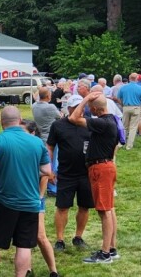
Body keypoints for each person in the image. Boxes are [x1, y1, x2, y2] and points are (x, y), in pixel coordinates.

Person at [0, 106, 52, 277]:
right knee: (24, 245)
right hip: (30, 201)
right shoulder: (36, 142)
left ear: (1, 122)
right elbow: (47, 170)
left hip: (3, 201)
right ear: (20, 120)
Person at [68, 91, 120, 264]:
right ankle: (111, 249)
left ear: (96, 109)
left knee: (104, 211)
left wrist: (84, 99)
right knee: (109, 209)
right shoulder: (111, 119)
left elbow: (74, 118)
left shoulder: (102, 123)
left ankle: (105, 253)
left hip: (101, 168)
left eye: (91, 108)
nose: (89, 110)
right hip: (106, 167)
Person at [47, 101, 94, 253]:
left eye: (81, 106)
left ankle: (78, 237)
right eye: (76, 107)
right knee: (62, 207)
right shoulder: (58, 125)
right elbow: (50, 147)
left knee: (84, 206)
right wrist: (50, 169)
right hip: (66, 173)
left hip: (86, 173)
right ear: (69, 108)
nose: (80, 109)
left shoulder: (89, 123)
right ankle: (60, 240)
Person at [23, 120, 59, 277]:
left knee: (40, 235)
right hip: (21, 197)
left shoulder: (38, 148)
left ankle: (53, 271)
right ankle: (27, 268)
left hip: (35, 198)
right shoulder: (19, 149)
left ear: (32, 133)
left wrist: (39, 197)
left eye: (23, 132)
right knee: (23, 236)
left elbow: (46, 174)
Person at [31, 87, 60, 195]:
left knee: (40, 162)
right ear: (48, 96)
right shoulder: (51, 107)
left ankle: (41, 184)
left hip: (39, 136)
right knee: (51, 162)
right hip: (50, 137)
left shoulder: (34, 106)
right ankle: (52, 188)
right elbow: (60, 116)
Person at [117, 73, 141, 150]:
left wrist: (122, 104)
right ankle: (129, 146)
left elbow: (118, 98)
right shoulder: (140, 88)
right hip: (136, 107)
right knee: (133, 127)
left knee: (124, 126)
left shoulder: (123, 87)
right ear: (137, 78)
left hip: (126, 107)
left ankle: (121, 143)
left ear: (129, 78)